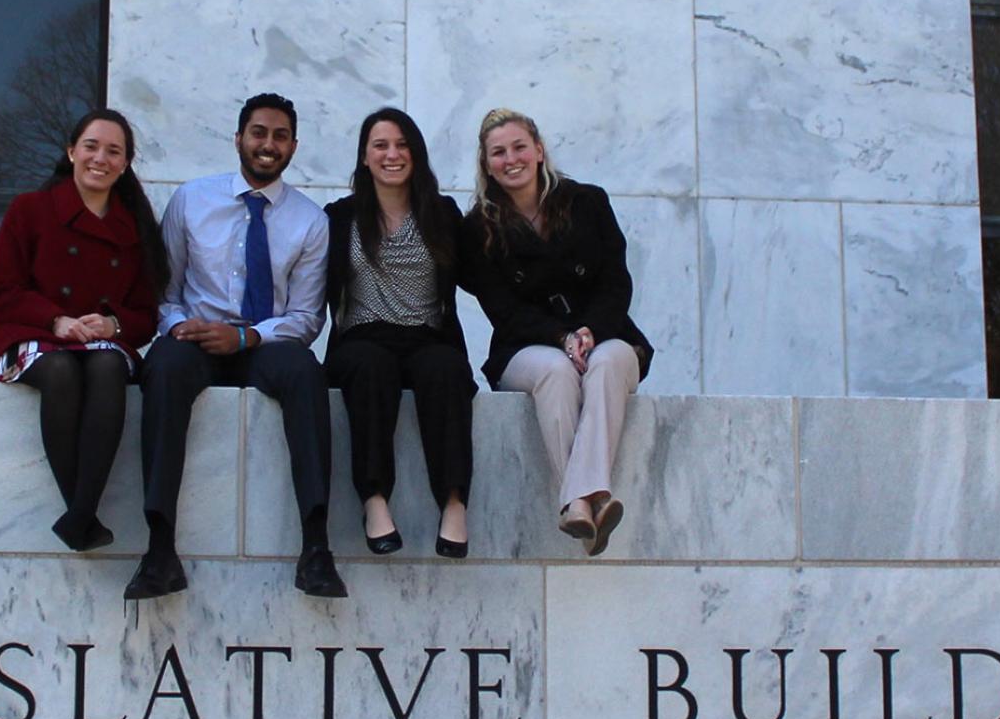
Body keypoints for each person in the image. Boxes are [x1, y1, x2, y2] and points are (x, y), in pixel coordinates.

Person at [131, 93, 347, 600]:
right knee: (161, 368)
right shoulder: (191, 200)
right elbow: (165, 292)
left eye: (279, 136)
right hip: (196, 339)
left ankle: (316, 547)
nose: (267, 145)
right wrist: (183, 326)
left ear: (293, 146)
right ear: (238, 139)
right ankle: (159, 548)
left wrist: (247, 335)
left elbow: (306, 317)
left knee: (307, 374)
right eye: (258, 133)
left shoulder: (311, 222)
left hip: (263, 341)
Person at [463, 108, 653, 557]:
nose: (511, 159)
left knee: (607, 362)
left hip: (608, 336)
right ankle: (595, 497)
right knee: (556, 371)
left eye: (519, 147)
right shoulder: (479, 228)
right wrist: (560, 338)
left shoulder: (588, 201)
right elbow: (502, 310)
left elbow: (616, 281)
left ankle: (576, 505)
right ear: (486, 163)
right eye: (499, 152)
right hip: (526, 349)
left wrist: (591, 330)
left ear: (539, 149)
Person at [0, 108, 168, 553]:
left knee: (106, 365)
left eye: (113, 151)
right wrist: (54, 319)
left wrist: (113, 322)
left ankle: (81, 514)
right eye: (91, 146)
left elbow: (147, 313)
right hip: (30, 334)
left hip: (100, 340)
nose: (100, 158)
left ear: (125, 164)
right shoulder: (30, 209)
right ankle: (81, 513)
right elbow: (1, 289)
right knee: (61, 369)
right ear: (71, 152)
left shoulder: (135, 229)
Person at [324, 107, 477, 558]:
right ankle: (374, 500)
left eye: (402, 144)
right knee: (370, 368)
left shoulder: (443, 214)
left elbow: (485, 275)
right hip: (362, 337)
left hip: (428, 335)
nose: (392, 154)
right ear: (365, 157)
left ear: (417, 153)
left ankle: (453, 503)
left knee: (447, 370)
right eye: (380, 145)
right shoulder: (340, 217)